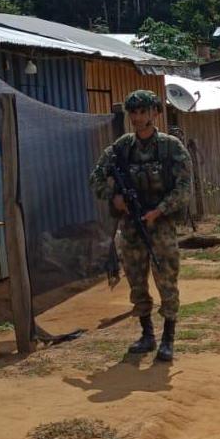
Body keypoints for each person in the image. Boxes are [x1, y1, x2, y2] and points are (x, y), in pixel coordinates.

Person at [89, 90, 192, 362]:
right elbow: (96, 179)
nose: (137, 117)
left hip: (161, 225)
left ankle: (168, 338)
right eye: (133, 112)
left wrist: (159, 210)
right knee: (136, 280)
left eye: (143, 112)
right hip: (132, 226)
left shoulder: (171, 147)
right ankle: (147, 334)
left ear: (155, 113)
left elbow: (184, 188)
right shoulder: (121, 148)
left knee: (166, 279)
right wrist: (115, 196)